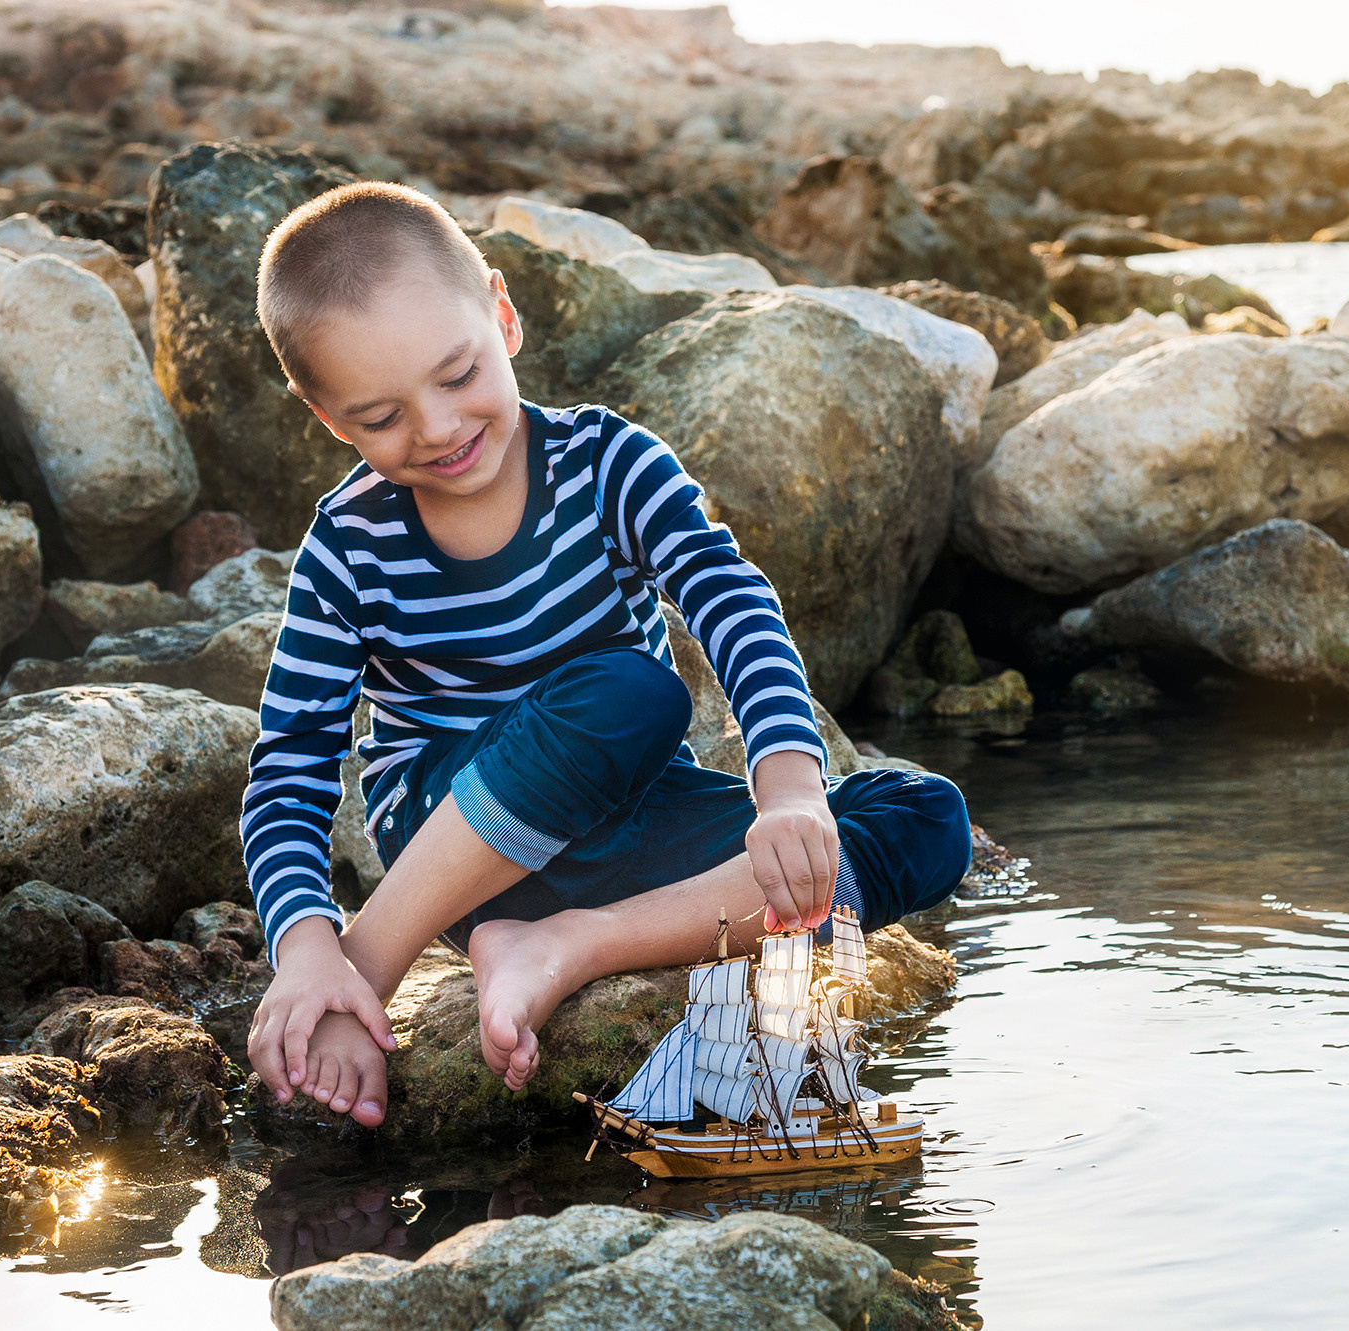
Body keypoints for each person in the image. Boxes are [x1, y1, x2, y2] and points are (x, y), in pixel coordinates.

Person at [240, 182, 973, 1127]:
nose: (436, 427)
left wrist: (788, 786)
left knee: (925, 815)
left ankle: (569, 946)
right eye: (380, 418)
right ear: (329, 417)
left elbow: (729, 597)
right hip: (451, 843)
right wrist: (309, 950)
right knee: (632, 691)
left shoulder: (606, 462)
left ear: (502, 316)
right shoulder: (348, 545)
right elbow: (291, 764)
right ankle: (366, 968)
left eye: (456, 373)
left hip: (633, 828)